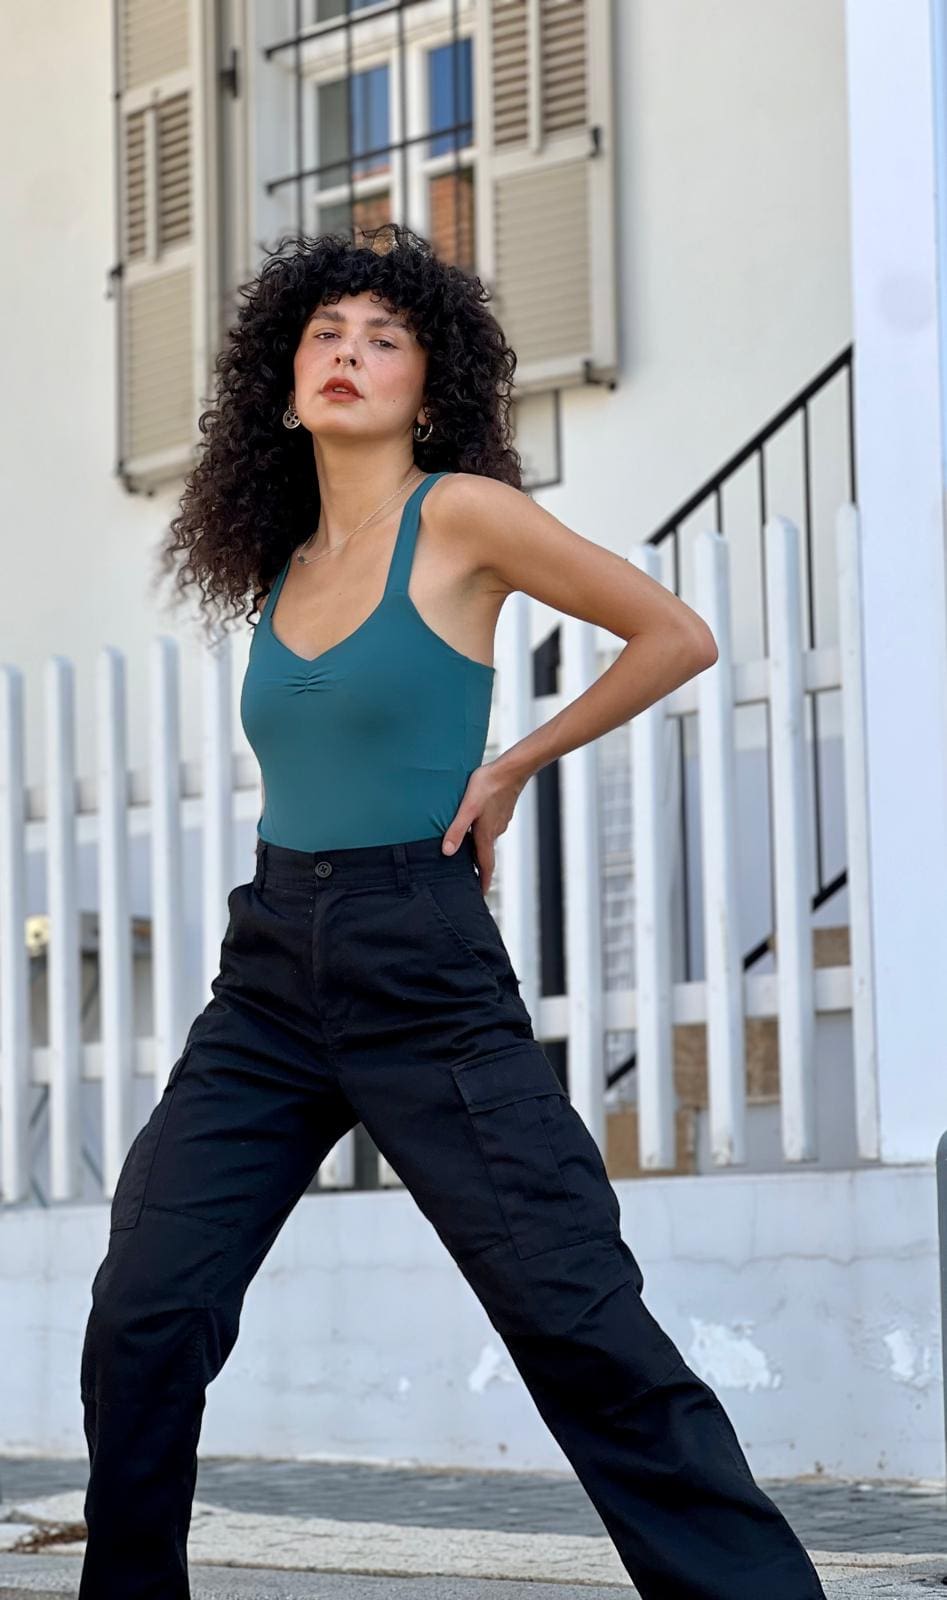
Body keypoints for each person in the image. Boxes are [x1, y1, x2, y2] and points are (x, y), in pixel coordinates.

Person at [78, 222, 826, 1600]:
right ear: (283, 381)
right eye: (324, 335)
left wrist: (514, 763)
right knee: (145, 1306)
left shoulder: (463, 514)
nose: (348, 354)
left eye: (384, 339)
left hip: (418, 961)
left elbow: (676, 634)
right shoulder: (282, 561)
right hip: (269, 973)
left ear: (430, 390)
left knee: (575, 1316)